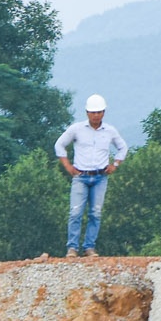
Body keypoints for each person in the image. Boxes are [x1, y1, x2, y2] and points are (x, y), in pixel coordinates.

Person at [54, 94, 129, 256]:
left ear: (104, 112)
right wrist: (67, 165)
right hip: (81, 176)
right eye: (93, 112)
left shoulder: (110, 131)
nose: (96, 115)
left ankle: (89, 247)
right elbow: (59, 145)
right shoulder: (77, 129)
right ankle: (72, 247)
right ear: (87, 113)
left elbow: (123, 147)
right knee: (75, 212)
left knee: (95, 213)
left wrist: (115, 165)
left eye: (99, 112)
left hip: (100, 177)